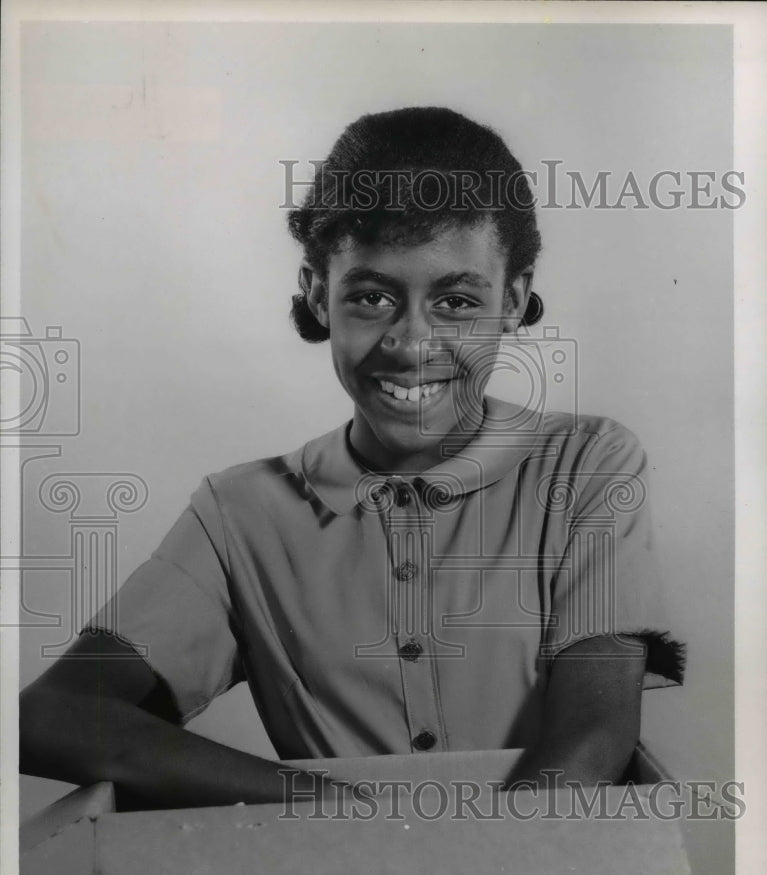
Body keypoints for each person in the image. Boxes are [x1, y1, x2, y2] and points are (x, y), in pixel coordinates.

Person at [20, 107, 683, 810]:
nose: (411, 343)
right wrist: (341, 812)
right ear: (317, 294)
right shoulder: (240, 516)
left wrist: (459, 872)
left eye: (456, 301)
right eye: (371, 297)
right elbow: (53, 715)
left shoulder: (584, 464)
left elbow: (593, 738)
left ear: (512, 300)